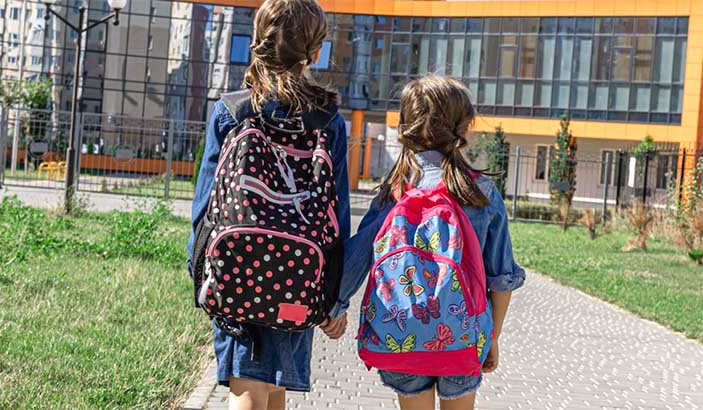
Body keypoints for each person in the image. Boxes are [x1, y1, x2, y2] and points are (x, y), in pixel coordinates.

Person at [187, 0, 350, 409]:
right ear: (314, 52)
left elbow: (206, 204)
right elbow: (338, 213)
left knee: (248, 383)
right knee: (275, 385)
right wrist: (336, 293)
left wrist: (199, 270)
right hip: (300, 274)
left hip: (237, 266)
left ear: (260, 40)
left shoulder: (232, 110)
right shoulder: (326, 120)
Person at [331, 76, 526, 410]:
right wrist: (491, 337)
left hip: (401, 334)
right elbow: (501, 277)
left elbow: (359, 255)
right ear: (466, 127)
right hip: (463, 336)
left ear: (405, 127)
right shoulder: (481, 193)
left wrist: (334, 308)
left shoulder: (393, 191)